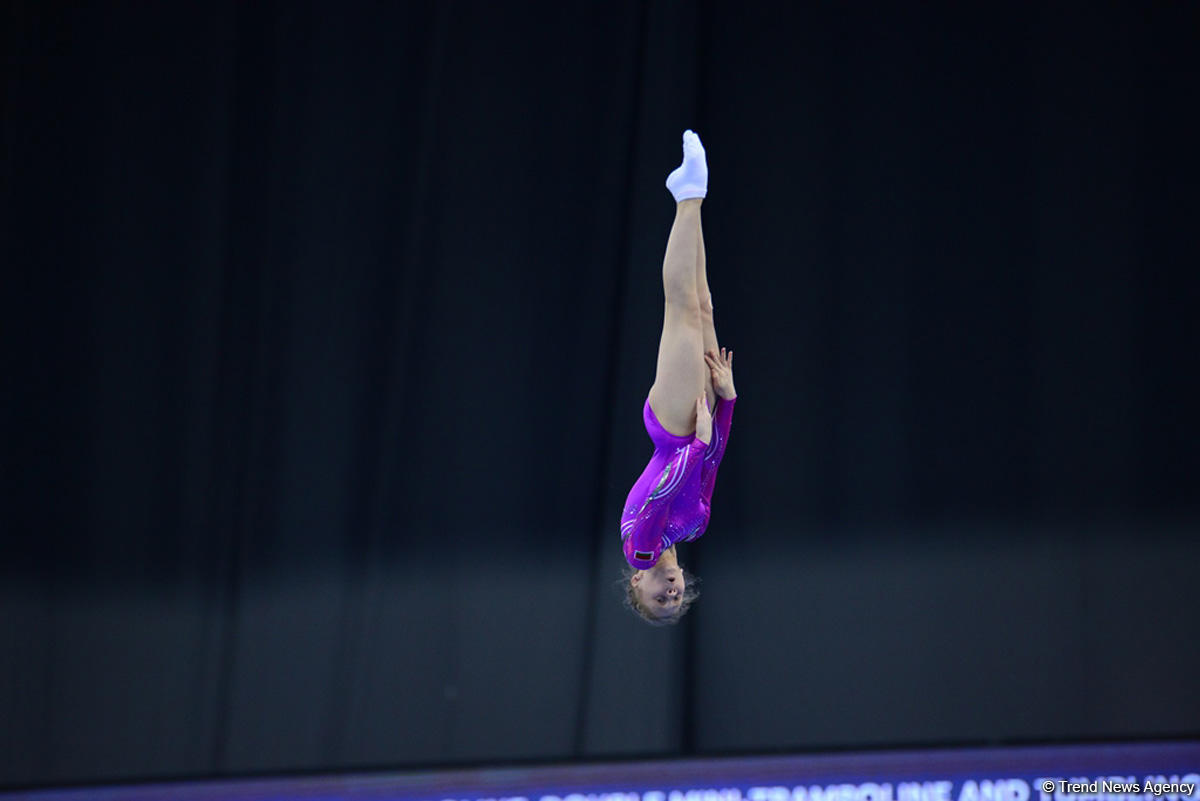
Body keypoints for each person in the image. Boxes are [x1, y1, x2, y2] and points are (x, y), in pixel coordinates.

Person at [620, 130, 737, 625]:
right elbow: (711, 466)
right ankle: (691, 199)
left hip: (671, 428)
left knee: (682, 311)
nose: (670, 591)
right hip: (702, 422)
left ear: (637, 585)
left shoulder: (641, 550)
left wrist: (692, 443)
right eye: (676, 598)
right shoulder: (693, 531)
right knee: (704, 301)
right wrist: (728, 401)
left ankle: (689, 193)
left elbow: (663, 491)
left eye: (657, 599)